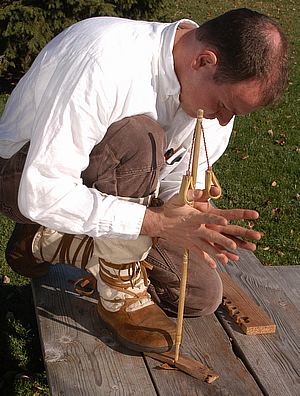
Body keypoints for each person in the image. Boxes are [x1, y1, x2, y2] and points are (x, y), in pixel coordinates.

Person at [0, 8, 288, 353]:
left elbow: (173, 178)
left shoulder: (212, 98)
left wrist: (190, 209)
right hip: (21, 180)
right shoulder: (104, 59)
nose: (224, 120)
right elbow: (42, 191)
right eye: (224, 105)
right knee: (139, 135)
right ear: (204, 61)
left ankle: (43, 241)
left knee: (200, 296)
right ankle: (121, 295)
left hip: (112, 188)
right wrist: (156, 223)